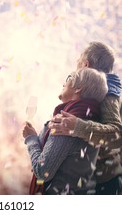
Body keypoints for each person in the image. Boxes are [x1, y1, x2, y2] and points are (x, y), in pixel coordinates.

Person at [49, 42, 122, 194]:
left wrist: (78, 126)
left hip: (103, 184)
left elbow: (117, 133)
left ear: (86, 65)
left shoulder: (108, 94)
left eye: (78, 61)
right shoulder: (94, 90)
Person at [23, 68, 108, 194]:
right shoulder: (92, 123)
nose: (64, 83)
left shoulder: (65, 124)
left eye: (69, 78)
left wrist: (30, 139)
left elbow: (42, 172)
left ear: (78, 88)